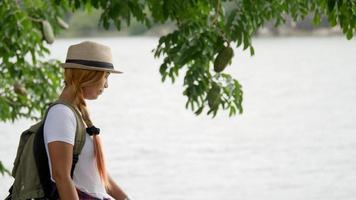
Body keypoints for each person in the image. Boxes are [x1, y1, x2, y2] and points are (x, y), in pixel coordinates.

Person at [43, 41, 130, 200]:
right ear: (89, 75)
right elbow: (61, 175)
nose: (107, 85)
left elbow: (96, 175)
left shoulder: (75, 114)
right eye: (106, 76)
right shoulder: (61, 114)